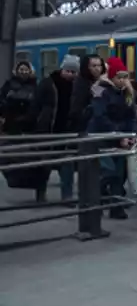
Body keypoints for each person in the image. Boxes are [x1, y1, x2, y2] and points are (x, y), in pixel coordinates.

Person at [87, 56, 137, 220]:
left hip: (120, 138)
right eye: (119, 77)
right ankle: (95, 200)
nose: (122, 80)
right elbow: (100, 116)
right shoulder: (101, 91)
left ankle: (116, 207)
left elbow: (131, 116)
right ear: (111, 76)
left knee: (119, 173)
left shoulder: (126, 94)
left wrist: (131, 135)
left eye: (125, 77)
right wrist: (118, 134)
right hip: (102, 138)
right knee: (108, 172)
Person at [30, 55, 79, 202]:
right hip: (48, 129)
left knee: (67, 164)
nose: (70, 74)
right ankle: (40, 193)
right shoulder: (47, 84)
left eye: (73, 72)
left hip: (67, 130)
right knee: (43, 165)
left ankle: (67, 196)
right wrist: (35, 123)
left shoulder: (77, 86)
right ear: (62, 69)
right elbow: (35, 105)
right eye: (68, 71)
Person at [0, 60, 38, 134]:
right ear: (16, 71)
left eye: (26, 70)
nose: (24, 72)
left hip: (29, 123)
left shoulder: (35, 86)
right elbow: (2, 99)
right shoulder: (9, 84)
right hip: (11, 121)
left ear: (30, 71)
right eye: (21, 69)